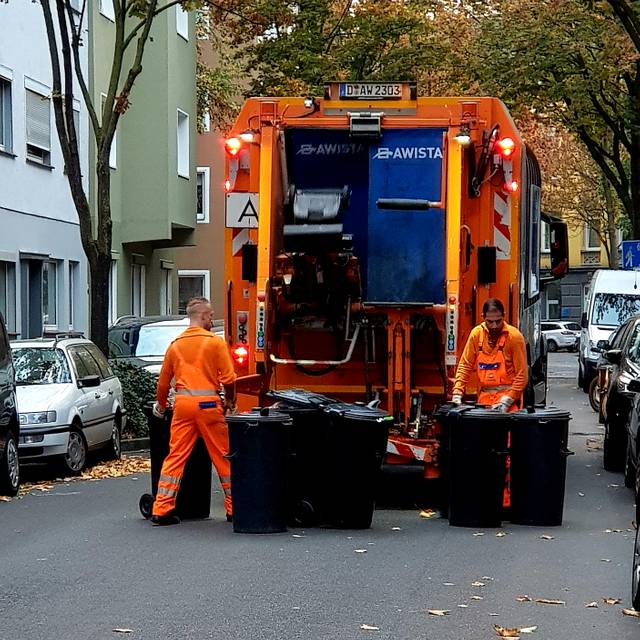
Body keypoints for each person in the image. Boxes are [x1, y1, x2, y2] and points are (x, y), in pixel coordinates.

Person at [151, 297, 237, 526]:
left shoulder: (175, 345)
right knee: (223, 456)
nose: (211, 319)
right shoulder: (215, 343)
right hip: (209, 406)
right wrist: (230, 401)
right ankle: (234, 508)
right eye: (210, 315)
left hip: (182, 406)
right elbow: (229, 379)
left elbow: (163, 383)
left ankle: (161, 509)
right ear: (202, 316)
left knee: (175, 456)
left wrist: (162, 405)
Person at [451, 298, 528, 412]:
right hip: (484, 401)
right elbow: (465, 366)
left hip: (509, 402)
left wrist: (507, 400)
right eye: (490, 322)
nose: (494, 326)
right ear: (483, 317)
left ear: (504, 316)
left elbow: (522, 376)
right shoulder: (476, 334)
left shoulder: (514, 338)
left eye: (498, 321)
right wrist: (457, 393)